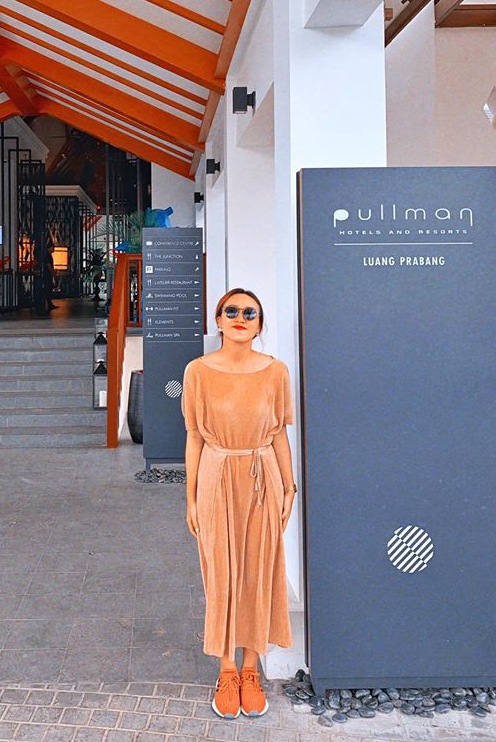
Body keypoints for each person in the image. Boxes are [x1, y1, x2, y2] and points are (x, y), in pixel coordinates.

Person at [181, 288, 298, 720]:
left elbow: (279, 433)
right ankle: (226, 669)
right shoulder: (197, 371)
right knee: (221, 573)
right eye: (231, 310)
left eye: (250, 313)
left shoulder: (275, 371)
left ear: (260, 324)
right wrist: (191, 496)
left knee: (258, 570)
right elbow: (194, 437)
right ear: (218, 319)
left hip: (263, 476)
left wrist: (289, 486)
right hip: (216, 475)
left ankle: (251, 669)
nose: (240, 317)